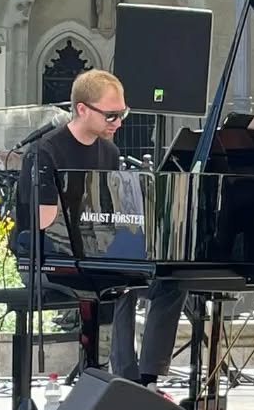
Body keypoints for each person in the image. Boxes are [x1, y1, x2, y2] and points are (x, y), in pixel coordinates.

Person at [17, 69, 185, 388]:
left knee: (168, 284)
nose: (118, 123)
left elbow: (109, 214)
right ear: (82, 109)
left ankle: (148, 377)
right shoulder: (44, 152)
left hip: (93, 255)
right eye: (111, 115)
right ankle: (123, 378)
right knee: (115, 280)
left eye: (122, 114)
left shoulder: (110, 152)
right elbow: (43, 222)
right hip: (46, 259)